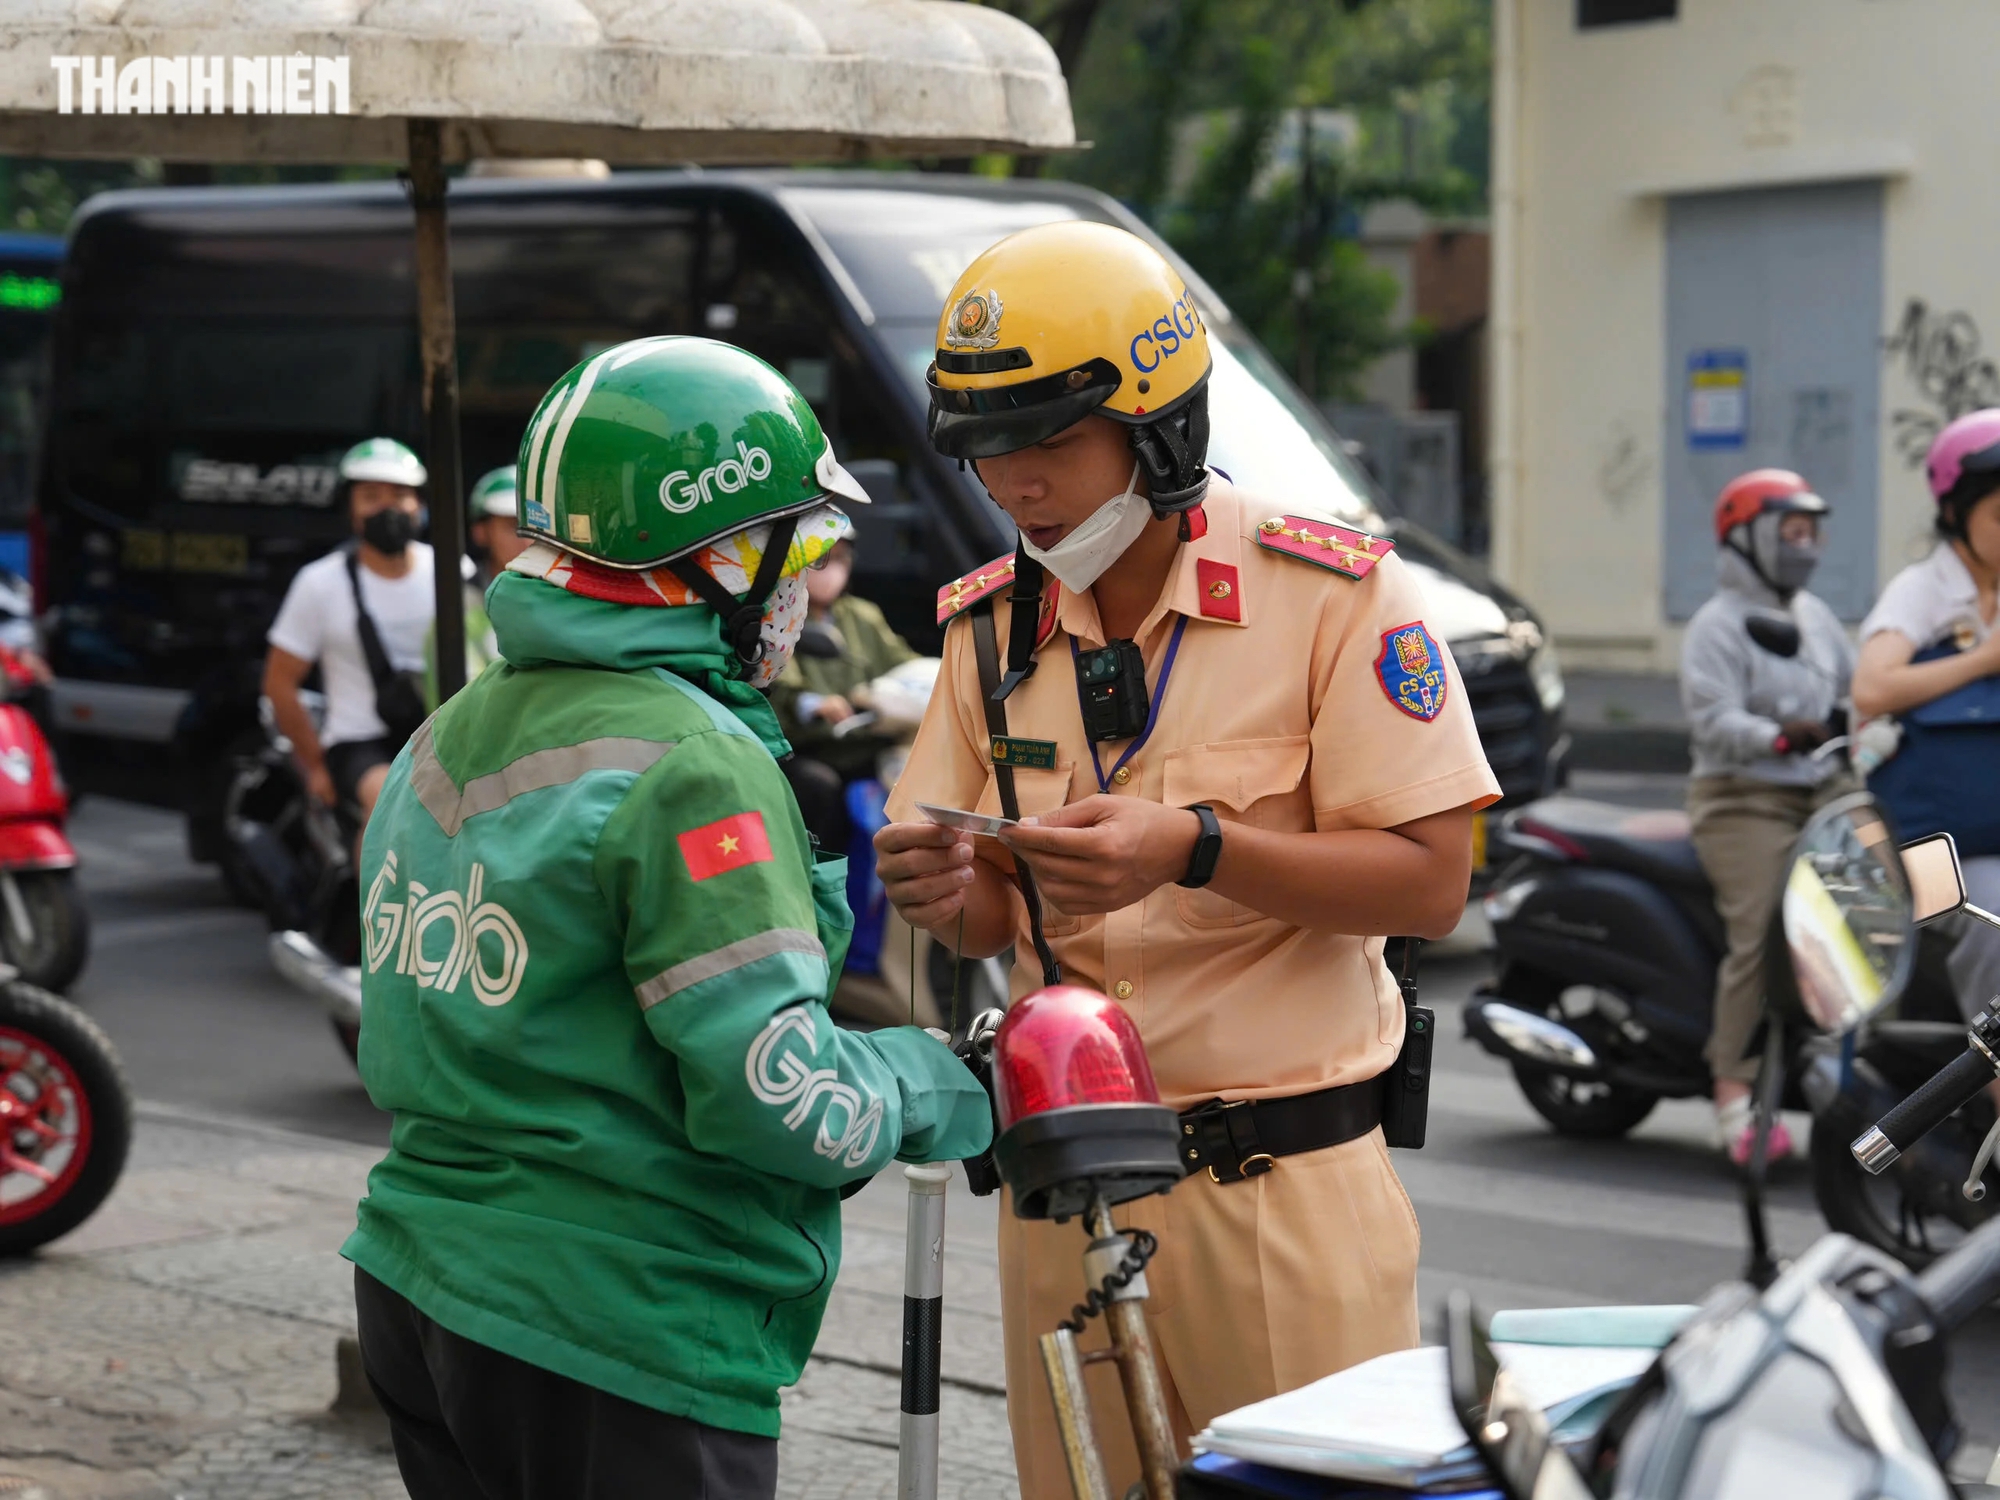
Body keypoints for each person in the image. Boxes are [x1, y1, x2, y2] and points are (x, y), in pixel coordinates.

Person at [872, 222, 1500, 1500]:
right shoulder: (988, 627)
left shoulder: (1331, 596)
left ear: (1160, 429)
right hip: (1059, 1181)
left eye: (1047, 438)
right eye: (985, 445)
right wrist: (952, 893)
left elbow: (1433, 877)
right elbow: (984, 915)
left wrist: (1198, 850)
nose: (1013, 480)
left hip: (1277, 1189)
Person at [341, 336, 991, 1500]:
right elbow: (776, 1099)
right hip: (617, 1327)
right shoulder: (694, 761)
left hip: (417, 1288)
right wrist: (939, 1085)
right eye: (790, 548)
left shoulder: (450, 730)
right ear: (717, 555)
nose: (801, 583)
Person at [1679, 469, 1855, 1164]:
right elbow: (1713, 720)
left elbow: (1855, 689)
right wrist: (1780, 734)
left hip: (1819, 790)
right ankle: (1734, 1090)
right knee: (1765, 925)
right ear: (1747, 536)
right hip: (1740, 797)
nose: (1805, 545)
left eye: (1811, 532)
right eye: (1791, 531)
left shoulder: (1816, 619)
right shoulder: (1714, 627)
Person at [1852, 409, 2000, 1021]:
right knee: (1992, 925)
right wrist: (1984, 659)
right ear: (1954, 515)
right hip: (1914, 841)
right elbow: (1871, 688)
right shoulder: (1922, 591)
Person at [264, 437, 434, 822]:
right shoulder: (318, 583)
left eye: (400, 494)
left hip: (440, 738)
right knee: (388, 805)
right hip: (357, 743)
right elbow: (279, 683)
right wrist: (314, 765)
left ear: (419, 504)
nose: (387, 507)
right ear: (351, 510)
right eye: (371, 496)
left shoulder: (454, 574)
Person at [769, 537, 919, 851]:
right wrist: (815, 704)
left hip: (863, 741)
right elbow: (781, 686)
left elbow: (904, 663)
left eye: (840, 559)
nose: (831, 569)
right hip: (808, 747)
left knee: (913, 775)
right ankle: (821, 877)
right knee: (818, 787)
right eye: (821, 560)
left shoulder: (863, 615)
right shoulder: (782, 611)